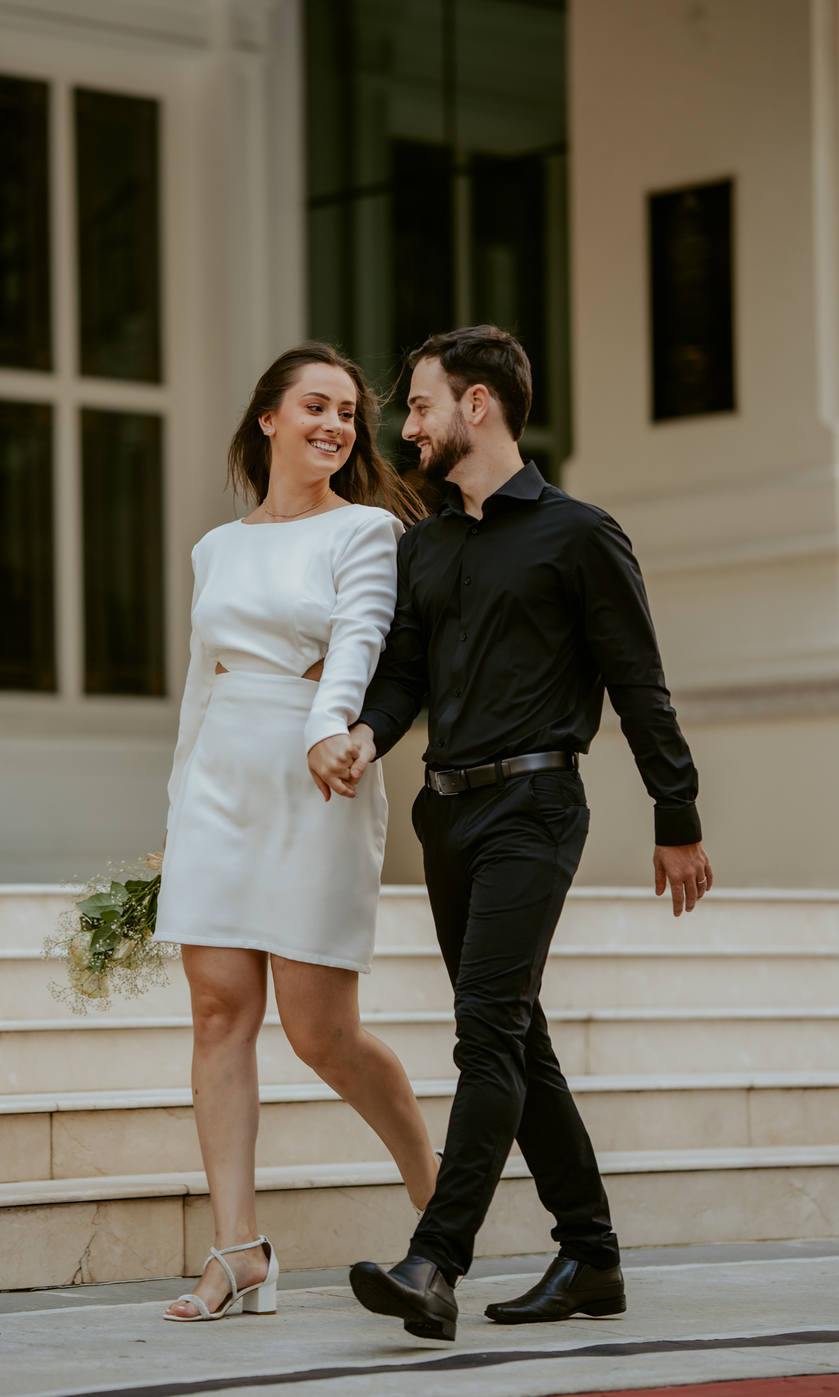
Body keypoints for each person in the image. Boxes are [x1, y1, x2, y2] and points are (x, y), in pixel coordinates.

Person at [344, 325, 713, 1341]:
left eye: (418, 405)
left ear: (477, 406)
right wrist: (362, 741)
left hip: (536, 809)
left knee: (487, 1031)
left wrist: (675, 817)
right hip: (447, 813)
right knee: (518, 1032)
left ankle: (437, 1260)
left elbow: (641, 687)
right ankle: (592, 1256)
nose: (404, 426)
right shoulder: (424, 544)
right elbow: (404, 679)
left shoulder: (578, 532)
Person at [156, 342, 439, 1324]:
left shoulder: (365, 531)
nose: (335, 425)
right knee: (217, 1015)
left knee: (323, 1032)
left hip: (319, 778)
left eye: (349, 414)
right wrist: (176, 815)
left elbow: (360, 637)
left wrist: (330, 730)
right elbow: (202, 688)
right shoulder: (216, 549)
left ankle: (435, 1200)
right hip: (220, 788)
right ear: (267, 418)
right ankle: (238, 1253)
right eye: (315, 406)